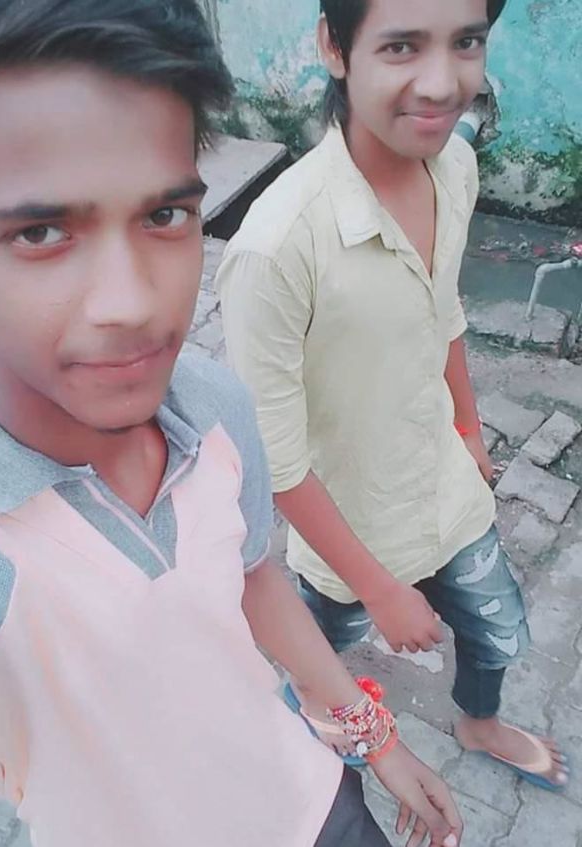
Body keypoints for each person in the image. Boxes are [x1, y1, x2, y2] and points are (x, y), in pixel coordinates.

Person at [0, 1, 465, 845]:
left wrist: (374, 737)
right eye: (42, 231)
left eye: (164, 216)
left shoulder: (213, 406)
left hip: (318, 803)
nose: (132, 304)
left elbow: (252, 577)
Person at [217, 0, 568, 791]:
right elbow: (273, 460)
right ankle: (303, 735)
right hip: (348, 533)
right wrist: (381, 590)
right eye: (403, 47)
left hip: (447, 492)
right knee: (316, 654)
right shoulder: (275, 250)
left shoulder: (455, 169)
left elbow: (443, 309)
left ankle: (479, 723)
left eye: (466, 42)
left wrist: (469, 428)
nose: (442, 83)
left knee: (499, 631)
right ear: (334, 47)